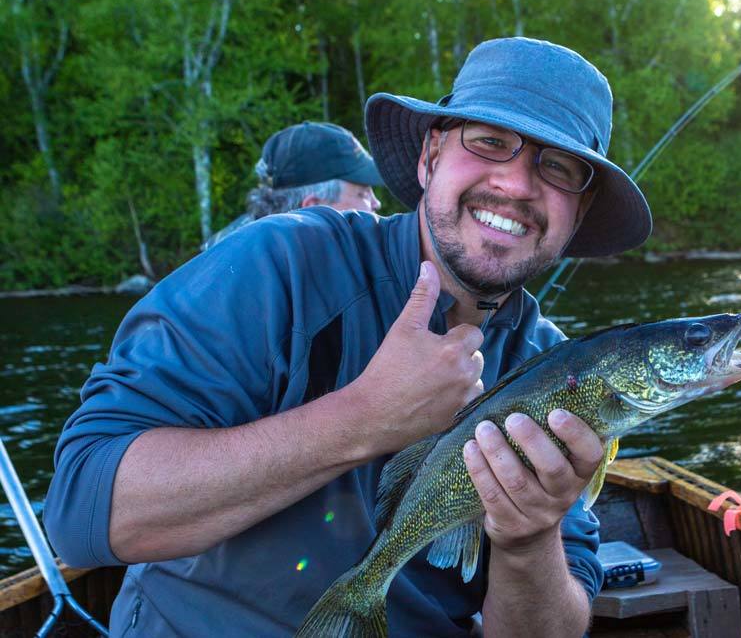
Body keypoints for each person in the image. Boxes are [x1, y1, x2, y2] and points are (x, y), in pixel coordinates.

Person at [44, 37, 652, 637]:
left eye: (559, 167)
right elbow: (81, 512)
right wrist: (363, 417)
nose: (518, 185)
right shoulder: (279, 264)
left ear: (578, 213)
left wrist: (530, 538)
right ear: (430, 157)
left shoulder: (558, 372)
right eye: (490, 142)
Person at [202, 121, 384, 251]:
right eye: (363, 194)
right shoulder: (260, 275)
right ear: (315, 208)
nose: (376, 204)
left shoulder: (267, 250)